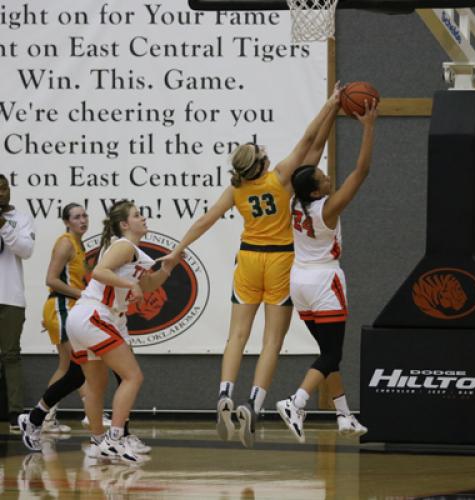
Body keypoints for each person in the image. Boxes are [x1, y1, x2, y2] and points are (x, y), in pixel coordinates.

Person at [159, 83, 343, 448]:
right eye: (261, 151)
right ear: (260, 163)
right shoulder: (280, 177)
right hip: (280, 261)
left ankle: (224, 395)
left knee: (236, 336)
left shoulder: (238, 189)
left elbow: (205, 221)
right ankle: (254, 403)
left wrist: (178, 250)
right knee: (271, 340)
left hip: (247, 259)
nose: (265, 151)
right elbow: (311, 140)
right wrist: (332, 104)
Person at [276, 98, 378, 443]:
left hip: (299, 280)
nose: (327, 176)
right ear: (317, 190)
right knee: (332, 353)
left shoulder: (295, 201)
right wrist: (368, 128)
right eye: (322, 177)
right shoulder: (329, 208)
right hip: (323, 280)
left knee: (327, 354)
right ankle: (296, 402)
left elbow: (313, 150)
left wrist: (333, 107)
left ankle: (344, 415)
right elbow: (361, 173)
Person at [65, 200, 169, 463]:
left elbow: (146, 285)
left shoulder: (131, 251)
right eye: (137, 214)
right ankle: (115, 438)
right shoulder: (123, 245)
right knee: (133, 377)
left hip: (82, 318)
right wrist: (128, 285)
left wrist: (168, 267)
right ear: (125, 224)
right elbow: (99, 272)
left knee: (96, 386)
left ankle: (99, 441)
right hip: (95, 314)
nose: (143, 217)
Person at [39, 203, 89, 433]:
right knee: (77, 363)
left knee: (69, 364)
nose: (83, 220)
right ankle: (90, 414)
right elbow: (51, 279)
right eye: (77, 217)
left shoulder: (80, 245)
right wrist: (82, 295)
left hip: (68, 308)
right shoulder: (65, 243)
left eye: (85, 215)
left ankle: (44, 416)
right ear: (67, 221)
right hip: (61, 306)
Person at [0, 174, 35, 432]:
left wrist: (2, 223)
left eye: (5, 188)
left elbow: (25, 250)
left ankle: (15, 412)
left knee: (10, 354)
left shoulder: (21, 218)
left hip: (10, 296)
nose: (2, 193)